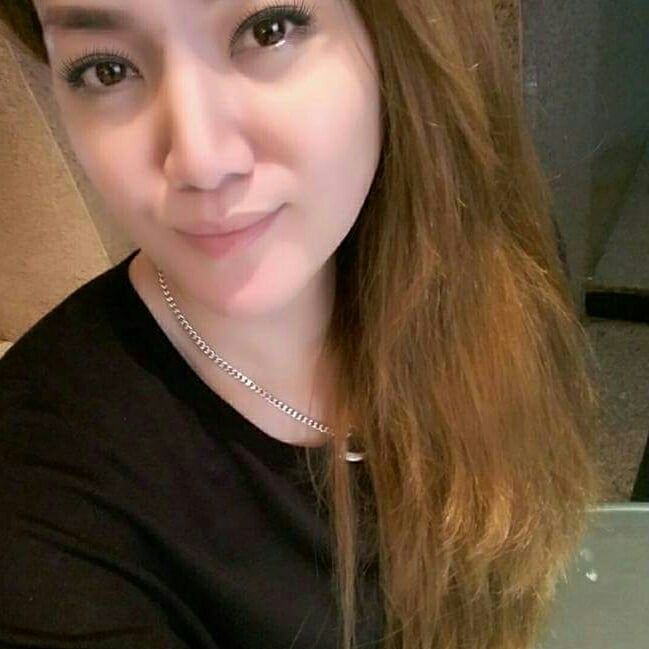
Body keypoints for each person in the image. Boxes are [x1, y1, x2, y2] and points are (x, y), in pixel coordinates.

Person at [0, 2, 604, 649]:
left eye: (268, 31)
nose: (201, 162)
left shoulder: (502, 273)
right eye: (107, 70)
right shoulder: (41, 496)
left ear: (392, 35)